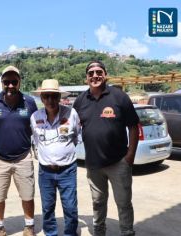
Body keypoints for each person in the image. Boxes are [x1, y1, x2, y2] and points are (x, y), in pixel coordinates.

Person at [73, 61, 139, 236]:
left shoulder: (119, 97)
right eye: (91, 73)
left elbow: (133, 126)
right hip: (94, 165)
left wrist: (130, 155)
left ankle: (126, 232)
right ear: (86, 78)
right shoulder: (80, 101)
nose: (95, 75)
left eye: (98, 72)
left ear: (105, 74)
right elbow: (72, 127)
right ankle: (99, 232)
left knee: (124, 203)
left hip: (118, 162)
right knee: (98, 203)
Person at [0, 65, 38, 236]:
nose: (10, 85)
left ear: (19, 82)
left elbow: (35, 127)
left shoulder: (29, 102)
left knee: (27, 195)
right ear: (1, 82)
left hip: (23, 157)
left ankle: (29, 226)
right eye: (6, 82)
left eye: (14, 81)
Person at [31, 79, 80, 236]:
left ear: (59, 97)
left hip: (68, 170)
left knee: (70, 208)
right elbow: (36, 141)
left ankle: (70, 234)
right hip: (45, 172)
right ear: (42, 98)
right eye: (46, 96)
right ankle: (51, 234)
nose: (50, 100)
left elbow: (78, 137)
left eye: (53, 96)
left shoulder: (71, 114)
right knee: (47, 208)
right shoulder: (34, 117)